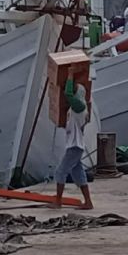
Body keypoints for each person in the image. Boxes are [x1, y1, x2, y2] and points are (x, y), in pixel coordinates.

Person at [52, 77, 93, 210]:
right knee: (78, 173)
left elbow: (68, 94)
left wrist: (69, 77)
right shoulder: (79, 108)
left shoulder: (79, 106)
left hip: (74, 146)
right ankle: (88, 202)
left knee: (61, 172)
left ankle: (58, 202)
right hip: (75, 145)